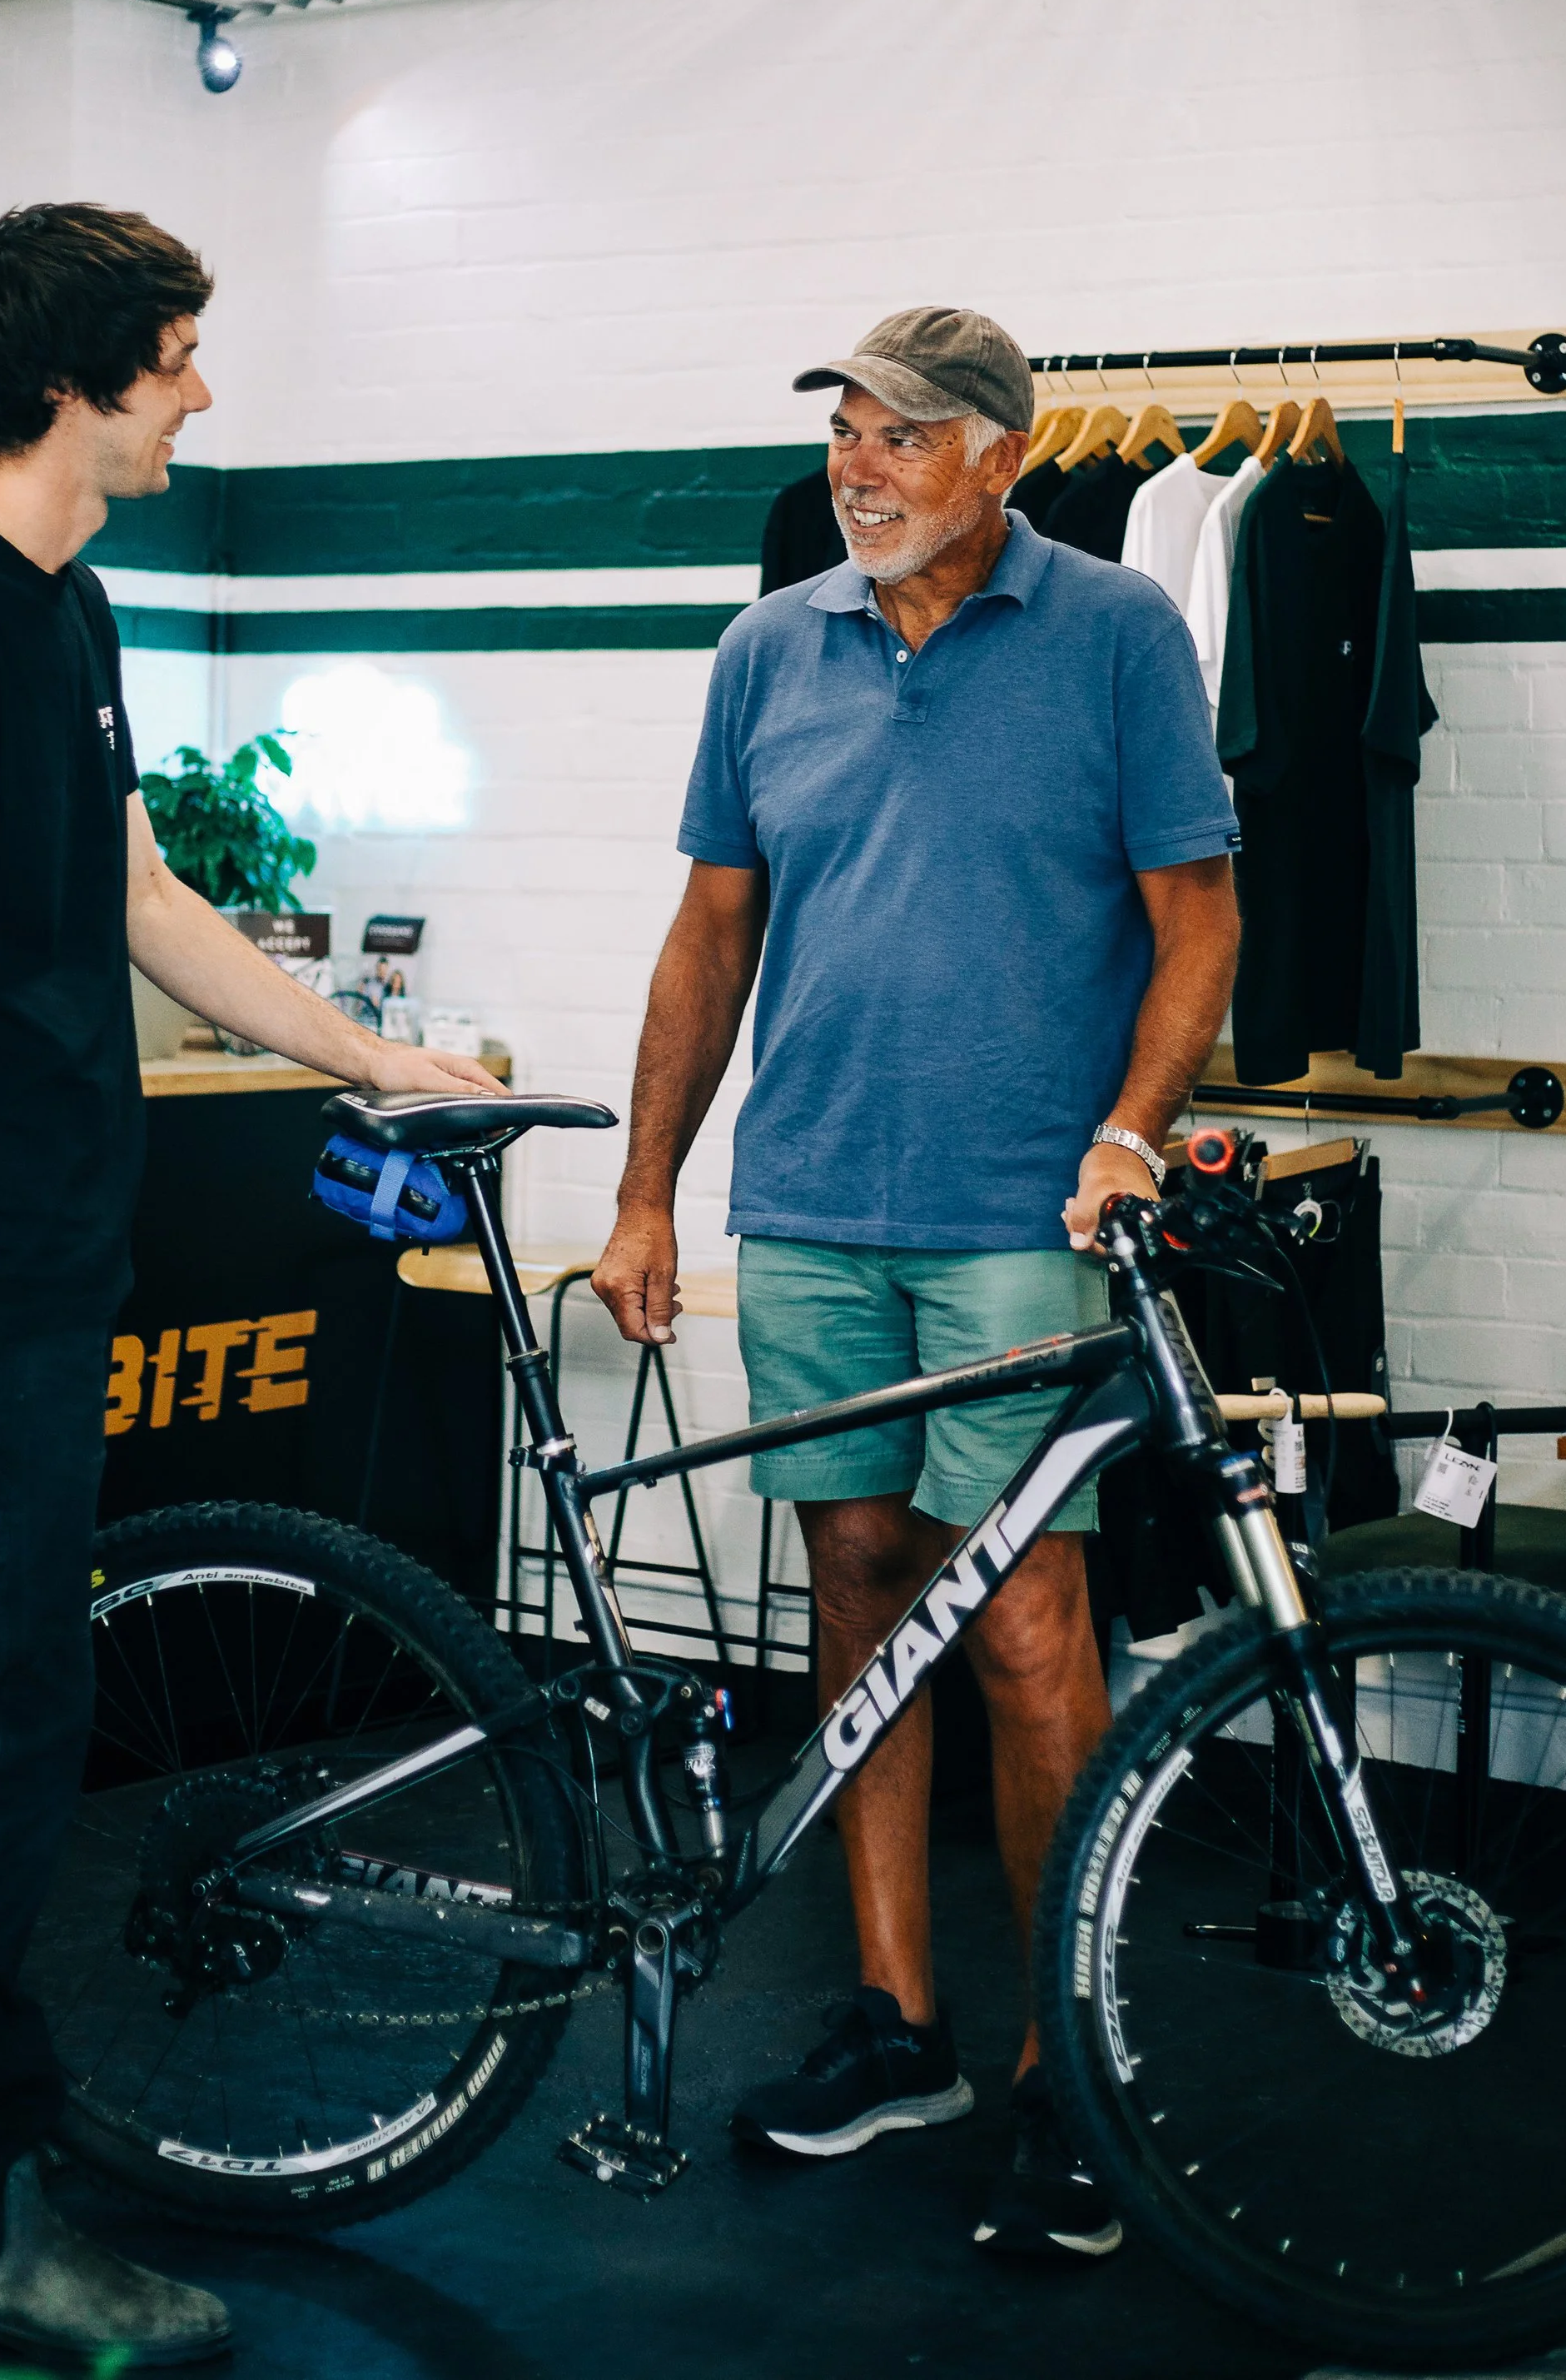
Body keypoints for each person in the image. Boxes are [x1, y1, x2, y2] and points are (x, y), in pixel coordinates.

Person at [0, 203, 500, 2363]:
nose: (203, 385)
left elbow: (130, 885)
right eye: (179, 351)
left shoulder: (59, 603)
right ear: (82, 378)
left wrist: (369, 1049)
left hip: (34, 1248)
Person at [593, 307, 1239, 2262]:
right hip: (807, 1207)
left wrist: (1127, 1131)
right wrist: (646, 1194)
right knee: (860, 1595)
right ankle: (898, 2026)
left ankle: (1069, 2068)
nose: (857, 464)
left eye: (900, 436)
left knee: (1030, 1628)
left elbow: (1195, 917)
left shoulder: (1116, 632)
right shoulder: (763, 646)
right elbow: (709, 935)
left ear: (1001, 461)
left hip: (1012, 1222)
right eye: (846, 431)